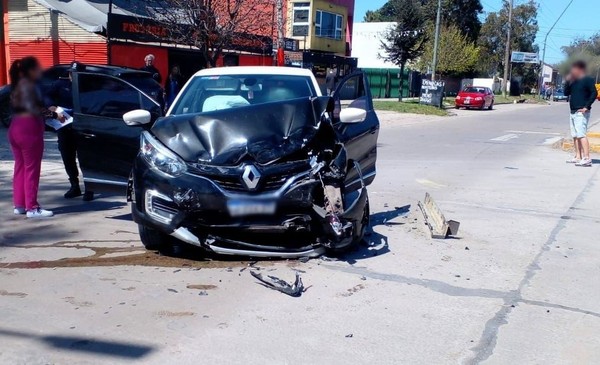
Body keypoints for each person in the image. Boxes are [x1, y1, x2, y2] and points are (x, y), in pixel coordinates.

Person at [8, 57, 64, 218]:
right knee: (32, 169)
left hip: (15, 128)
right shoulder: (29, 86)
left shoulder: (17, 84)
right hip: (29, 130)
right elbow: (34, 108)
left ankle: (20, 204)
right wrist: (55, 114)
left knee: (20, 167)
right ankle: (32, 207)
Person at [46, 62, 82, 199]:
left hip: (83, 125)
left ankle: (90, 188)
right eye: (71, 73)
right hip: (65, 125)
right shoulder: (60, 84)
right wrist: (52, 107)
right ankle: (74, 185)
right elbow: (46, 97)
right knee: (67, 155)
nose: (72, 76)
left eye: (75, 73)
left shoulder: (86, 87)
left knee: (85, 156)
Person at [564, 60, 598, 167]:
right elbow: (566, 93)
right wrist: (567, 81)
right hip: (573, 111)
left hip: (581, 112)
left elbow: (594, 93)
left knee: (581, 134)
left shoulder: (587, 79)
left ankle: (587, 158)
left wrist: (587, 106)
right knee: (575, 135)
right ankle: (578, 156)